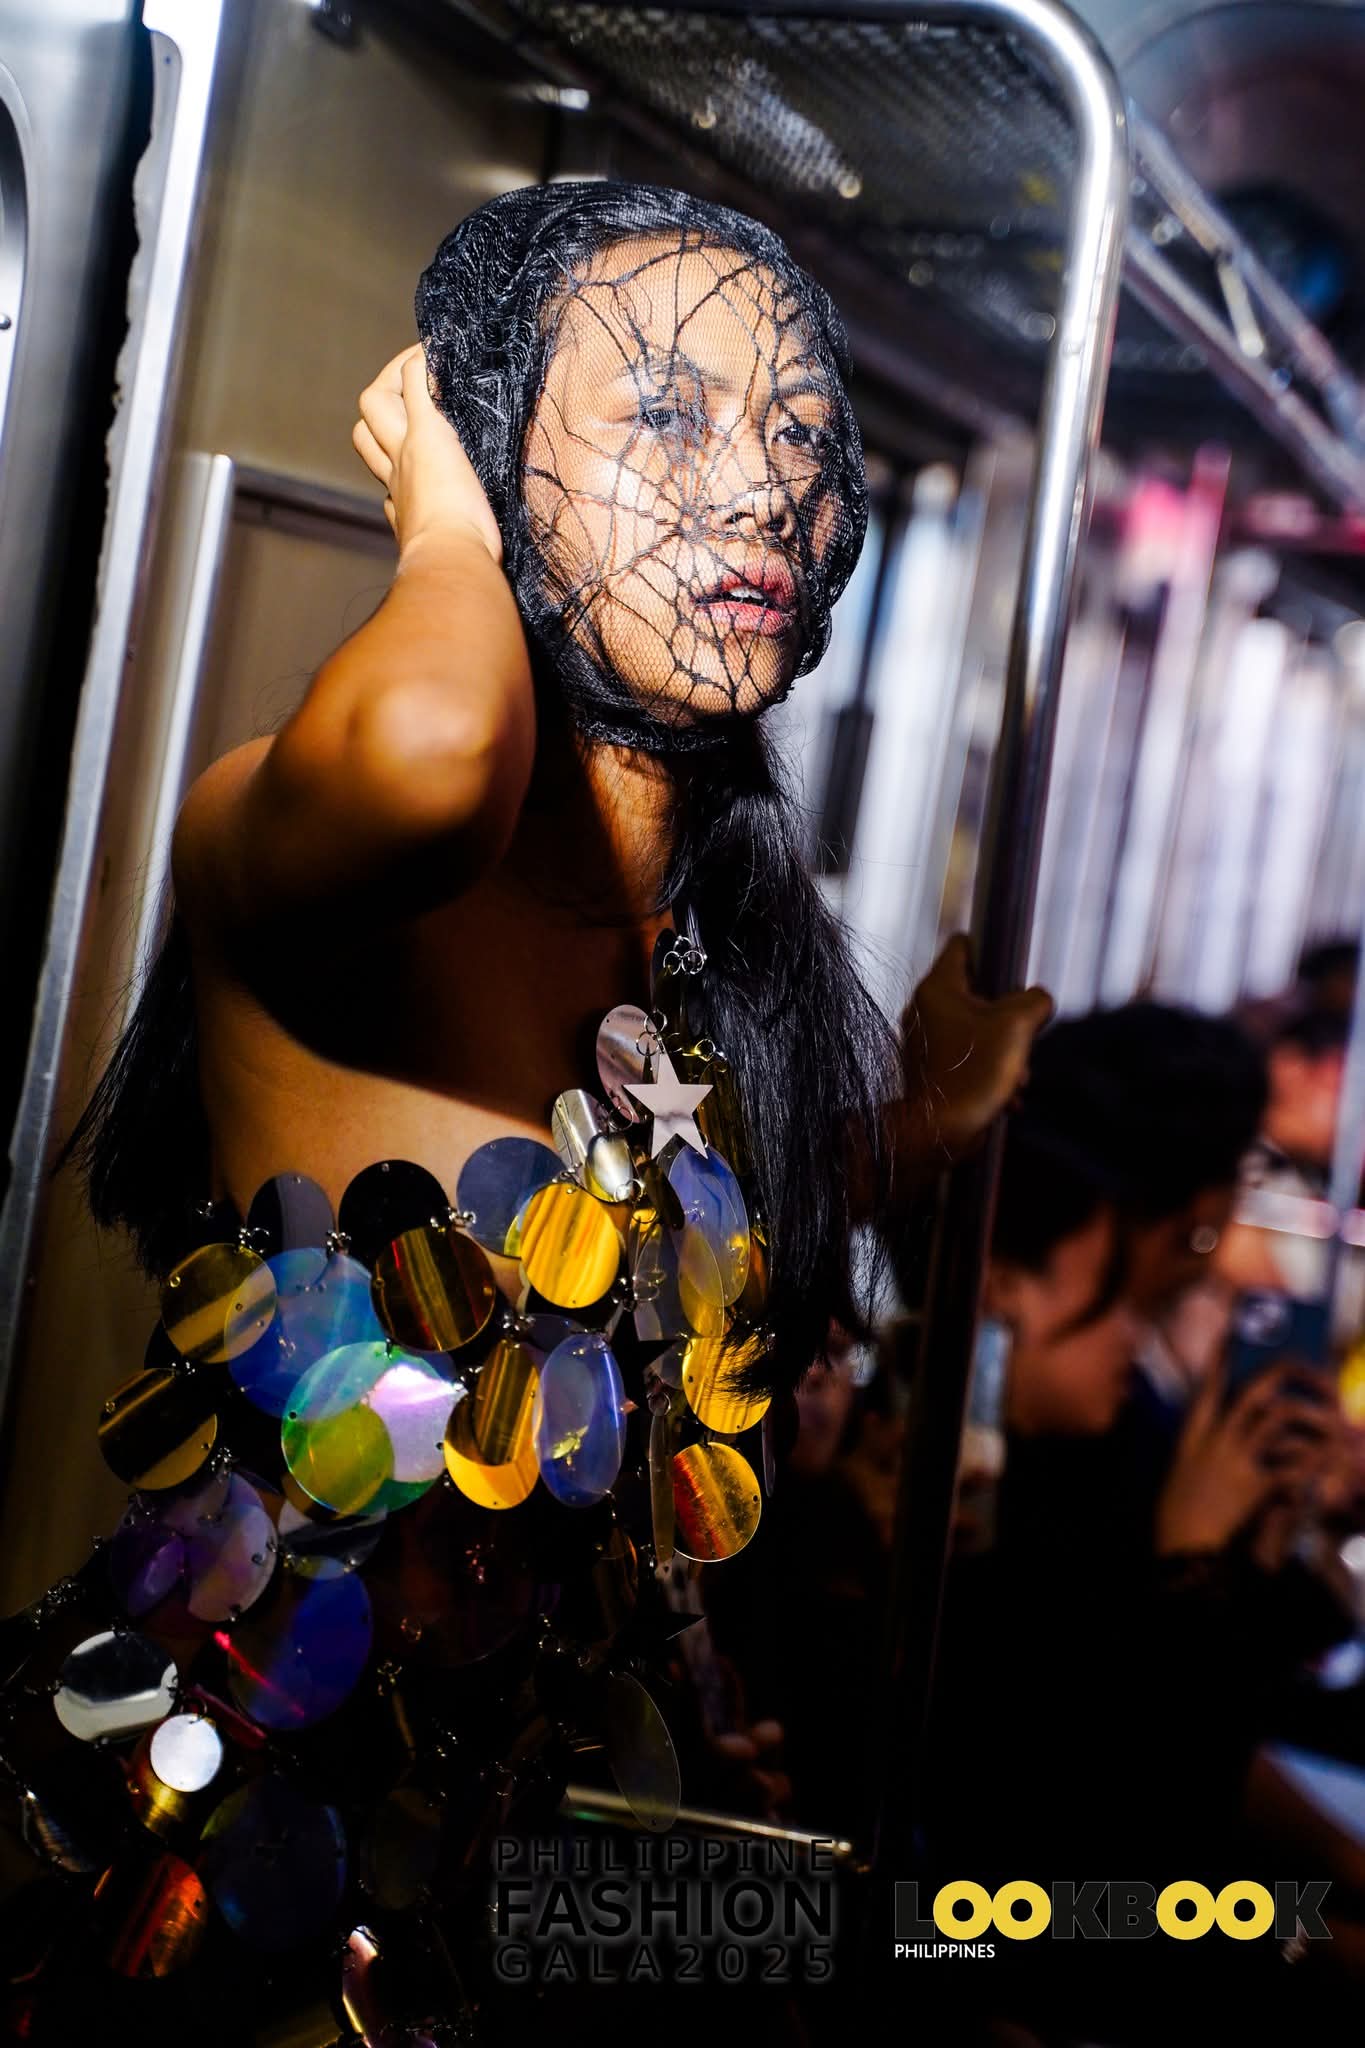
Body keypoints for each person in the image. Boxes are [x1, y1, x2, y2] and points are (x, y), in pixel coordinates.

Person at [7, 182, 1047, 2044]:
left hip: (508, 1901)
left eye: (798, 435)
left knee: (1076, 1953)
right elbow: (435, 749)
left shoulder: (688, 946)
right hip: (211, 1892)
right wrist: (441, 513)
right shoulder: (310, 845)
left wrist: (913, 1135)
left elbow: (603, 1267)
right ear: (488, 455)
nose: (760, 490)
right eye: (666, 415)